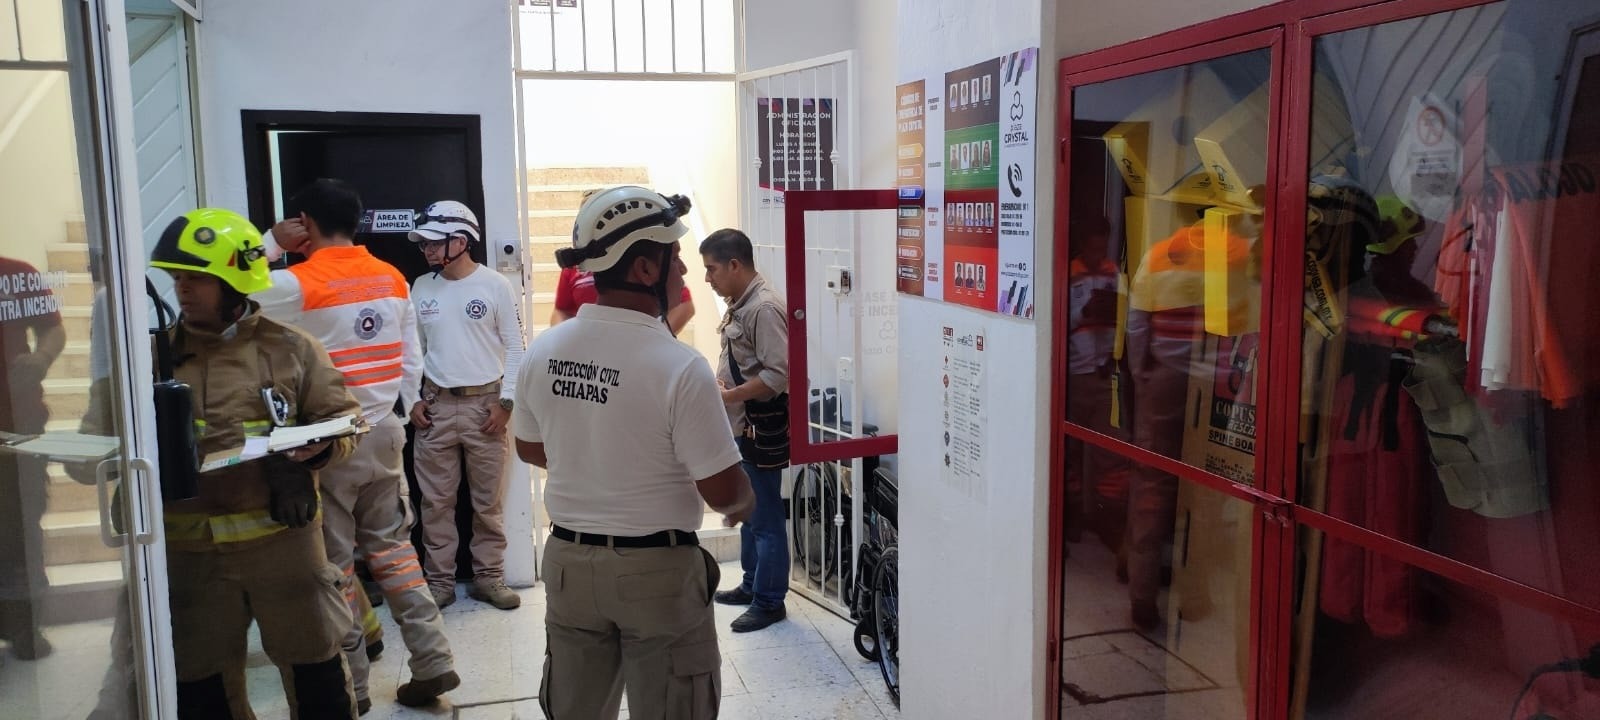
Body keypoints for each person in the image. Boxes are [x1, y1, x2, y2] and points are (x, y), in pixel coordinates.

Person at [514, 184, 753, 719]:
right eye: (675, 258)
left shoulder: (544, 351)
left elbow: (529, 446)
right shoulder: (679, 366)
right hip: (658, 574)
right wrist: (745, 502)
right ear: (645, 269)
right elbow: (722, 491)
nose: (684, 271)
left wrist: (597, 461)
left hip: (569, 567)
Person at [148, 207, 361, 718]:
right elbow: (105, 433)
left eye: (198, 278)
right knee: (201, 686)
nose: (183, 289)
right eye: (178, 278)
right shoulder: (150, 357)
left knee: (317, 673)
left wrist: (317, 451)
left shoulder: (291, 349)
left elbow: (344, 422)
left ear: (235, 281)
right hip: (190, 556)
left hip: (284, 547)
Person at [258, 179, 459, 714]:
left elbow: (230, 295)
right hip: (385, 433)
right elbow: (412, 360)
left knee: (336, 567)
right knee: (396, 552)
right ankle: (433, 659)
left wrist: (272, 243)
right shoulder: (392, 276)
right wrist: (398, 412)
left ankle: (356, 688)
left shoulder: (296, 283)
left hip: (328, 444)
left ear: (304, 223)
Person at [407, 200, 525, 611]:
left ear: (460, 241)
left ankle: (488, 578)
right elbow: (413, 350)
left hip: (486, 408)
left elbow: (516, 347)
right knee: (435, 503)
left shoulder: (495, 285)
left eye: (433, 242)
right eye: (423, 244)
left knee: (487, 504)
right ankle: (439, 582)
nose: (426, 250)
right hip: (435, 407)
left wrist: (506, 402)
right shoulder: (422, 286)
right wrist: (411, 399)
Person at [700, 228, 792, 633]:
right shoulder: (741, 304)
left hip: (758, 427)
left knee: (766, 517)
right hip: (742, 426)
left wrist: (730, 396)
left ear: (735, 265)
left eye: (712, 269)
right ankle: (753, 584)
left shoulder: (763, 308)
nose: (707, 278)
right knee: (750, 514)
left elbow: (778, 375)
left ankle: (770, 601)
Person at [0, 253, 64, 661]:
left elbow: (52, 329)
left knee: (22, 529)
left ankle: (25, 627)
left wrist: (41, 359)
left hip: (18, 429)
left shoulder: (16, 275)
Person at [551, 264, 696, 336]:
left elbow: (684, 306)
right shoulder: (573, 267)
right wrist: (563, 341)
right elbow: (562, 310)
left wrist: (655, 340)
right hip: (588, 348)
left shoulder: (636, 260)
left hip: (639, 350)